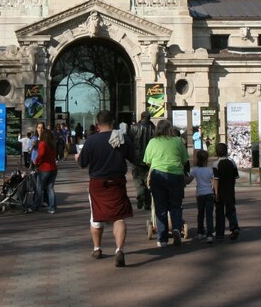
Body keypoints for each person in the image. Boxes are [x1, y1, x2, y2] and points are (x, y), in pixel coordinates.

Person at [76, 109, 136, 268]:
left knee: (96, 216)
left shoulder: (91, 141)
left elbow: (82, 163)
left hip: (97, 183)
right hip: (117, 181)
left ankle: (97, 248)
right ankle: (119, 250)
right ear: (113, 122)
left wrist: (77, 157)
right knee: (119, 217)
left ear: (97, 124)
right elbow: (135, 158)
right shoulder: (122, 138)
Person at [144, 119, 190, 247]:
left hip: (158, 175)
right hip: (176, 175)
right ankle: (176, 228)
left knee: (160, 207)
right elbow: (185, 159)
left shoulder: (152, 142)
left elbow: (147, 161)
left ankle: (162, 238)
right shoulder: (177, 141)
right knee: (176, 205)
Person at [212, 142, 240, 241]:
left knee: (219, 212)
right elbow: (236, 177)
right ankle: (234, 228)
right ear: (226, 152)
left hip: (219, 191)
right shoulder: (232, 163)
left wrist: (215, 192)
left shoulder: (216, 164)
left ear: (216, 153)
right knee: (231, 211)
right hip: (230, 191)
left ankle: (220, 233)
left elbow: (216, 179)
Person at [129, 111, 156, 210]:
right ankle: (147, 204)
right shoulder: (153, 128)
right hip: (150, 159)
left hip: (137, 158)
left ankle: (140, 193)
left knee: (137, 178)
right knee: (148, 180)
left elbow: (129, 142)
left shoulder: (134, 127)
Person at [190, 149, 215, 244]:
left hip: (200, 194)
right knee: (209, 215)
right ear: (207, 159)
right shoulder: (210, 170)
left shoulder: (195, 170)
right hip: (209, 193)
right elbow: (214, 181)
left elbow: (188, 180)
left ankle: (200, 233)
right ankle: (209, 234)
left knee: (200, 214)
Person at [30, 130, 58, 214]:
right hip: (53, 169)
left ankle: (35, 207)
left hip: (44, 169)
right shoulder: (52, 145)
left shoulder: (42, 144)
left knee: (39, 189)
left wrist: (36, 161)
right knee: (50, 188)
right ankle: (52, 207)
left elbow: (41, 154)